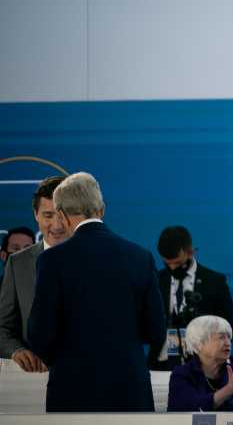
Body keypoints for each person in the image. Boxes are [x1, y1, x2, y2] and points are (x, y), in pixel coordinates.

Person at [26, 172, 167, 412]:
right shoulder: (140, 257)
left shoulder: (52, 261)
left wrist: (64, 362)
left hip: (72, 390)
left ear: (61, 215)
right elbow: (156, 331)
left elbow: (39, 335)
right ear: (101, 209)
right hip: (130, 388)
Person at [0, 176, 67, 370]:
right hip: (34, 379)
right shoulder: (17, 263)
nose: (57, 225)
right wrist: (16, 351)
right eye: (48, 215)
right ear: (36, 214)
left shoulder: (96, 260)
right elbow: (3, 328)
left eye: (62, 215)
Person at [150, 226, 233, 371]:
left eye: (178, 263)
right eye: (167, 264)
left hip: (205, 366)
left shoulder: (215, 282)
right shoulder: (156, 281)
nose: (172, 268)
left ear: (191, 251)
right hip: (161, 366)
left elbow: (231, 327)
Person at [167, 315, 233, 412]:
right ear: (199, 343)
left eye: (229, 338)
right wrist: (228, 390)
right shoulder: (182, 375)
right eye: (221, 337)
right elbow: (192, 410)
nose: (228, 343)